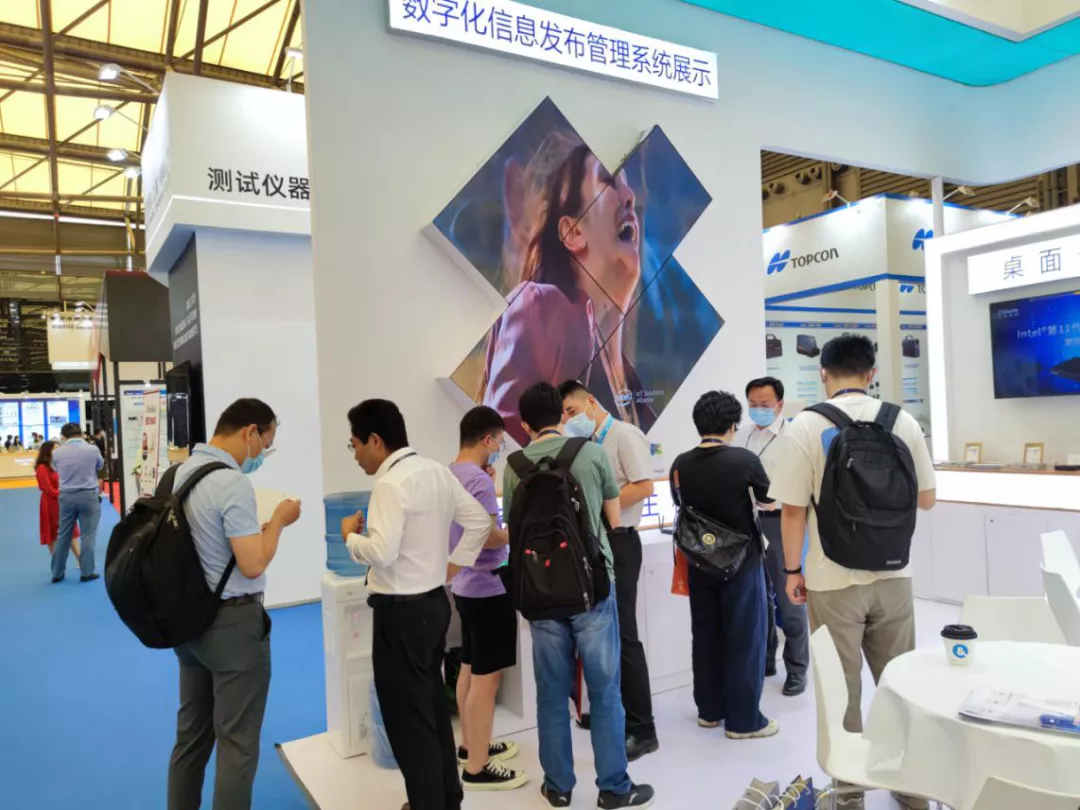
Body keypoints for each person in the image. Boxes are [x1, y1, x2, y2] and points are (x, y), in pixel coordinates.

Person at [768, 335, 936, 810]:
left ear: (823, 373)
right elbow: (927, 498)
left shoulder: (806, 425)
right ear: (872, 373)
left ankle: (849, 795)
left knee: (841, 691)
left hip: (831, 578)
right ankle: (912, 789)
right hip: (894, 576)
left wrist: (792, 571)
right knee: (900, 687)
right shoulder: (902, 421)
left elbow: (792, 510)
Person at [503, 382, 654, 810]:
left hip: (539, 592)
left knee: (551, 695)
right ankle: (614, 788)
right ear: (562, 415)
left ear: (525, 425)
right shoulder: (590, 453)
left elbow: (514, 529)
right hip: (592, 589)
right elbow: (612, 519)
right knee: (605, 692)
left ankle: (558, 787)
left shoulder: (513, 466)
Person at [340, 399, 492, 810]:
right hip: (433, 606)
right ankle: (445, 797)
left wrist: (349, 537)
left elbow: (382, 552)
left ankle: (427, 802)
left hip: (400, 615)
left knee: (408, 721)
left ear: (375, 440)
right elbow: (479, 522)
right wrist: (452, 567)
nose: (355, 455)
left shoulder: (390, 484)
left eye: (355, 445)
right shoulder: (436, 471)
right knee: (430, 707)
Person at [167, 398, 302, 810]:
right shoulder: (232, 483)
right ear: (250, 433)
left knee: (191, 738)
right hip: (232, 626)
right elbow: (253, 563)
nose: (262, 454)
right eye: (266, 444)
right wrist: (279, 522)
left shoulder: (182, 472)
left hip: (188, 622)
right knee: (237, 744)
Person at [480, 131, 656, 445]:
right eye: (608, 181)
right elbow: (502, 441)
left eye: (627, 184)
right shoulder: (538, 305)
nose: (630, 195)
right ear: (573, 232)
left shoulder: (629, 381)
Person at [559, 379, 659, 761]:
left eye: (572, 411)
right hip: (595, 544)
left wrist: (601, 502)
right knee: (601, 633)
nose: (569, 419)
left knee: (624, 634)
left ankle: (643, 729)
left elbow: (645, 486)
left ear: (591, 401)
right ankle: (613, 715)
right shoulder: (585, 444)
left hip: (621, 542)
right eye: (563, 415)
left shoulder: (624, 435)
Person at [671, 391, 778, 740]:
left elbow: (679, 503)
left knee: (705, 636)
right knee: (745, 638)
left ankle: (709, 711)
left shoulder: (681, 463)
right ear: (732, 426)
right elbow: (768, 500)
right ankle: (744, 721)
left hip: (699, 561)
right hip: (741, 562)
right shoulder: (744, 460)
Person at [447, 406, 526, 792]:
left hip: (464, 585)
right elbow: (490, 537)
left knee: (469, 666)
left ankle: (470, 745)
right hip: (489, 585)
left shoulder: (449, 473)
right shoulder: (477, 481)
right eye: (499, 440)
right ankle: (478, 766)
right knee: (487, 678)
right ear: (488, 439)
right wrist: (518, 531)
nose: (500, 447)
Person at [732, 376, 808, 697]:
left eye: (764, 404)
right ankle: (765, 660)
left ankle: (797, 669)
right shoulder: (742, 435)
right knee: (757, 598)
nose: (758, 409)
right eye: (752, 404)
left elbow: (802, 486)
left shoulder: (793, 437)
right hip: (747, 523)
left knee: (790, 600)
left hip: (781, 523)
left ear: (779, 404)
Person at [51, 422, 103, 583]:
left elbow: (55, 468)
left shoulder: (57, 453)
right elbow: (100, 465)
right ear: (80, 433)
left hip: (66, 496)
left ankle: (57, 573)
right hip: (88, 495)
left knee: (63, 535)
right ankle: (86, 572)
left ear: (63, 436)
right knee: (88, 536)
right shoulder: (92, 449)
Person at [35, 440, 80, 561]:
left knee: (71, 530)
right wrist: (65, 491)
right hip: (51, 504)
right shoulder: (42, 468)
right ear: (48, 451)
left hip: (64, 502)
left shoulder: (58, 464)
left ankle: (81, 559)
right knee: (53, 533)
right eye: (56, 448)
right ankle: (57, 563)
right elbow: (48, 489)